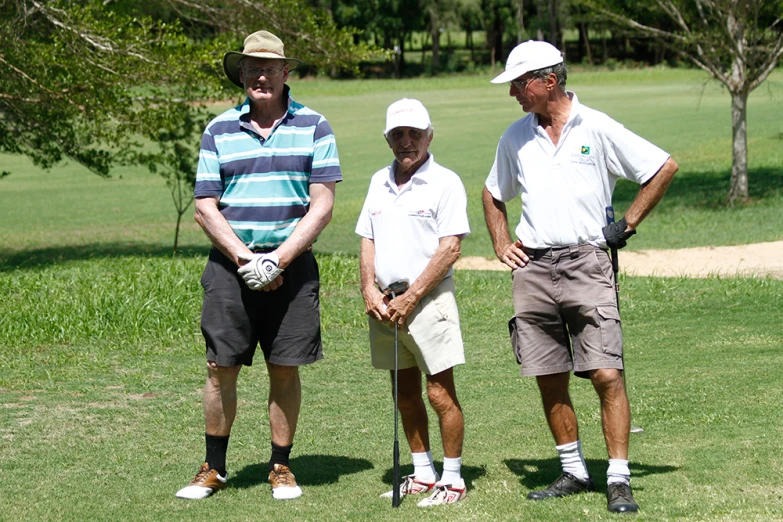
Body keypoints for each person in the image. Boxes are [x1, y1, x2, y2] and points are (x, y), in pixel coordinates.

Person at [482, 41, 678, 514]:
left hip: (587, 262)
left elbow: (662, 167)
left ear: (549, 81)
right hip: (533, 267)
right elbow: (492, 193)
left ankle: (618, 478)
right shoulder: (514, 137)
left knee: (606, 373)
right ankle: (572, 470)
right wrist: (501, 242)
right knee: (548, 375)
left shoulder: (597, 126)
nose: (513, 92)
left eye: (519, 82)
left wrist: (627, 223)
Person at [175, 30, 341, 501]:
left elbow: (322, 206)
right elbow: (206, 205)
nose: (260, 76)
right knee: (219, 367)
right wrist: (248, 260)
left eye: (269, 68)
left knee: (284, 368)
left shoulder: (315, 126)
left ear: (286, 73)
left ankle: (281, 466)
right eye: (251, 69)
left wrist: (279, 261)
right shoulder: (219, 129)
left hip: (294, 267)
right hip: (231, 267)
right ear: (241, 75)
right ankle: (214, 467)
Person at [355, 99, 470, 507]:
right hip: (386, 304)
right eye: (398, 135)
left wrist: (414, 295)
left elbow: (450, 248)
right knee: (404, 392)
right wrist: (368, 288)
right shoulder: (377, 182)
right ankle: (423, 472)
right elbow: (367, 239)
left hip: (428, 301)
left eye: (414, 134)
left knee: (440, 393)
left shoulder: (445, 182)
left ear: (429, 136)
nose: (407, 142)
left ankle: (453, 479)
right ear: (387, 139)